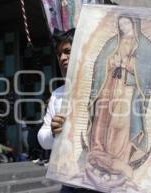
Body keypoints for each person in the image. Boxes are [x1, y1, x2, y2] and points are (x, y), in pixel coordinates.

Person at [85, 15, 151, 185]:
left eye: (126, 23)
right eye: (120, 23)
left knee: (121, 122)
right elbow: (99, 63)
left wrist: (129, 64)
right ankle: (99, 151)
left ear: (134, 23)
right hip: (109, 85)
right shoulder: (112, 42)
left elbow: (149, 69)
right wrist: (110, 61)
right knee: (102, 118)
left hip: (128, 89)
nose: (123, 26)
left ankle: (118, 157)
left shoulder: (144, 44)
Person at [38, 28, 101, 193]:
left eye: (67, 52)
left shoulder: (106, 88)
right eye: (59, 54)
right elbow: (42, 139)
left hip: (104, 184)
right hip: (71, 184)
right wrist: (53, 131)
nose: (62, 58)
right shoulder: (58, 94)